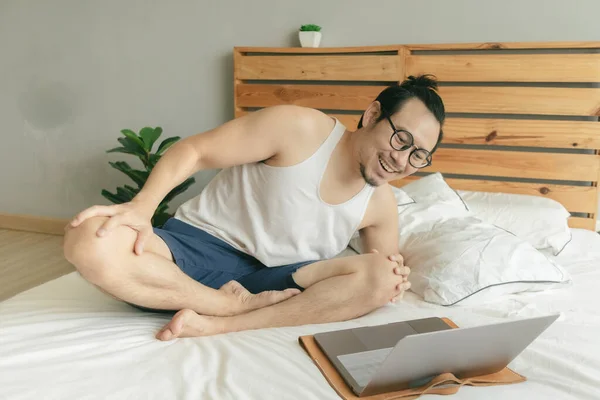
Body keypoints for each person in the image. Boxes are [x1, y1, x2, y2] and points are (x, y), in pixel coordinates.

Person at [63, 74, 445, 341]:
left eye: (418, 155)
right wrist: (142, 207)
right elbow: (195, 151)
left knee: (382, 276)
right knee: (88, 239)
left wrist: (395, 279)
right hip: (197, 249)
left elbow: (376, 282)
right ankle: (225, 307)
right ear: (373, 115)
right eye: (401, 139)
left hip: (279, 283)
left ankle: (221, 327)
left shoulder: (381, 204)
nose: (402, 160)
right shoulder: (300, 128)